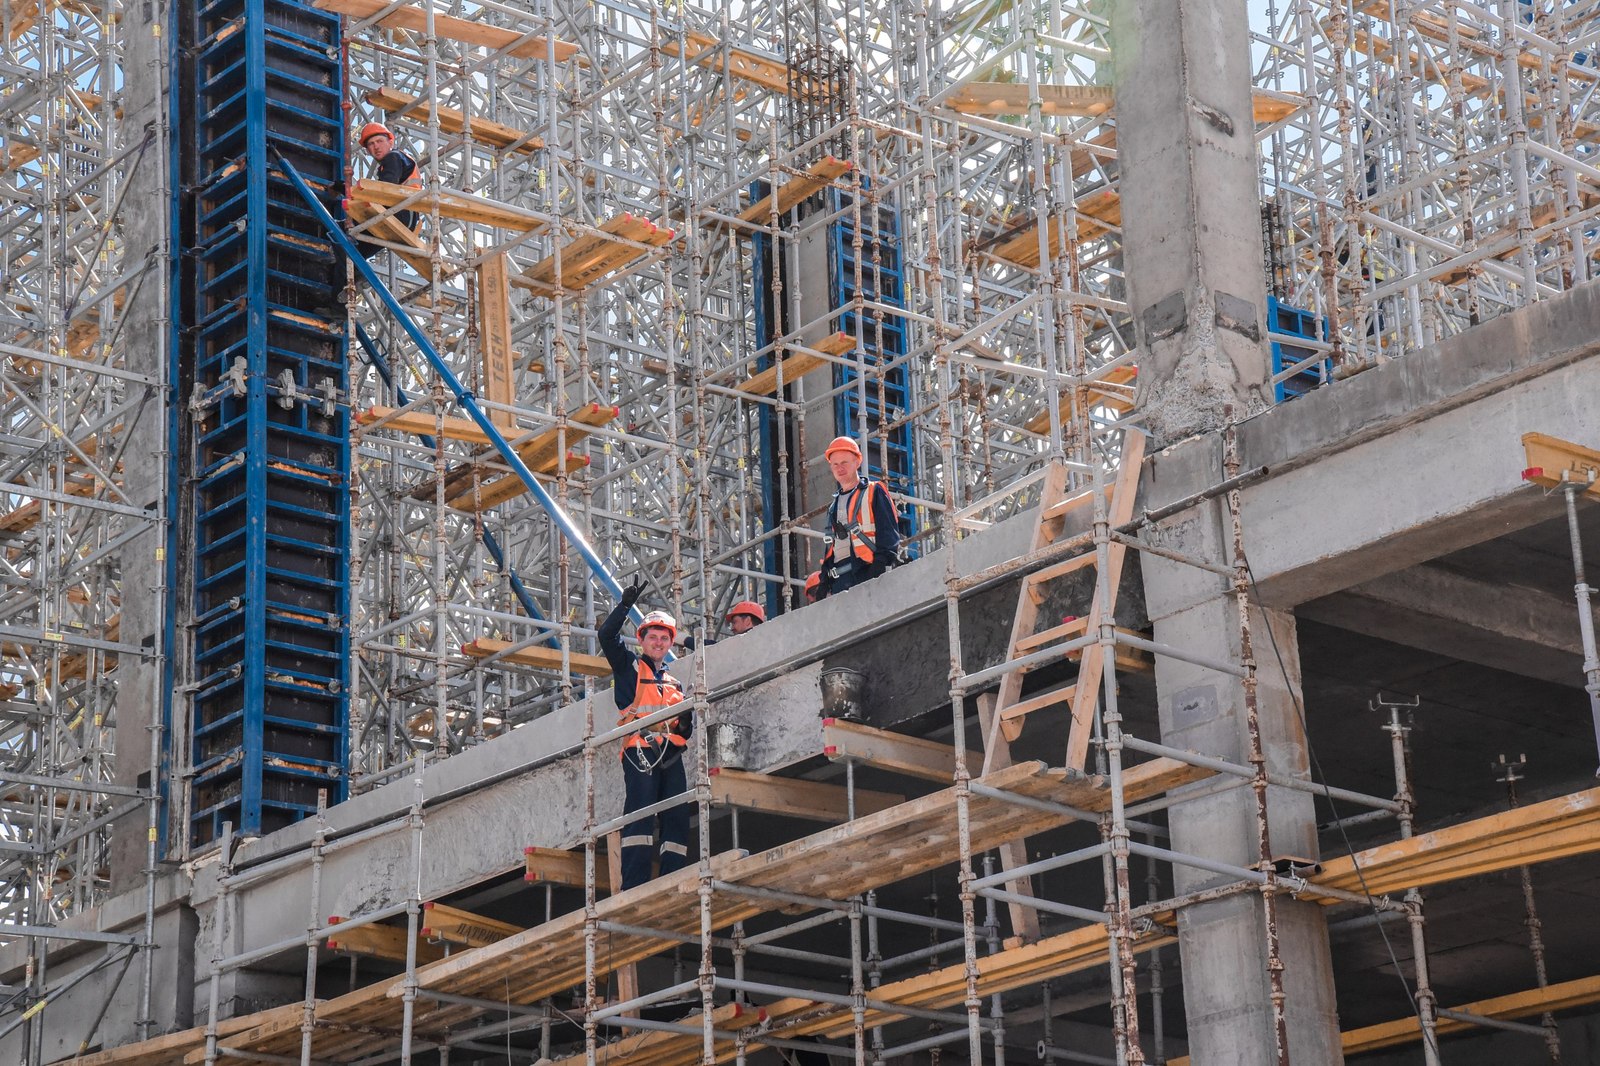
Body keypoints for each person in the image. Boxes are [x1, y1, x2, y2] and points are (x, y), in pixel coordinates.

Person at [598, 578, 693, 891]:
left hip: (670, 754)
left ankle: (672, 877)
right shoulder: (629, 668)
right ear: (643, 641)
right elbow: (607, 636)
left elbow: (684, 727)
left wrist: (686, 719)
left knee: (676, 815)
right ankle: (636, 885)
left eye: (664, 639)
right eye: (653, 637)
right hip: (640, 749)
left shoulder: (675, 684)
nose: (659, 643)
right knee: (640, 813)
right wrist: (625, 606)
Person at [817, 436, 900, 597]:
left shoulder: (874, 491)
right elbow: (832, 546)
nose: (839, 468)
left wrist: (880, 564)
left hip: (867, 570)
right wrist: (825, 580)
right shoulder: (834, 506)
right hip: (840, 580)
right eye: (835, 464)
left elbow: (887, 530)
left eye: (844, 463)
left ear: (857, 462)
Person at [355, 121, 421, 255]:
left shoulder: (394, 157)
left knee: (345, 226)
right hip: (406, 219)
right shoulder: (396, 160)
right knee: (358, 253)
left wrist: (350, 191)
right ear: (367, 150)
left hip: (400, 213)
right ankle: (353, 273)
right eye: (371, 144)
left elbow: (386, 188)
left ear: (390, 142)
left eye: (379, 141)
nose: (376, 147)